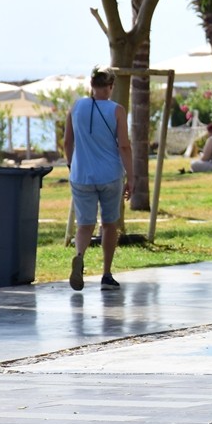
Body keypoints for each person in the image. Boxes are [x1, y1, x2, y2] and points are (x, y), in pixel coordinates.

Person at [63, 65, 134, 291]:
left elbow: (67, 142)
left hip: (81, 174)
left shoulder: (76, 107)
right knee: (109, 224)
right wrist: (131, 177)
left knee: (84, 224)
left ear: (91, 86)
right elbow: (124, 145)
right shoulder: (117, 110)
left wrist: (71, 165)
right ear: (111, 87)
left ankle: (80, 256)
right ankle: (106, 273)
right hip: (110, 175)